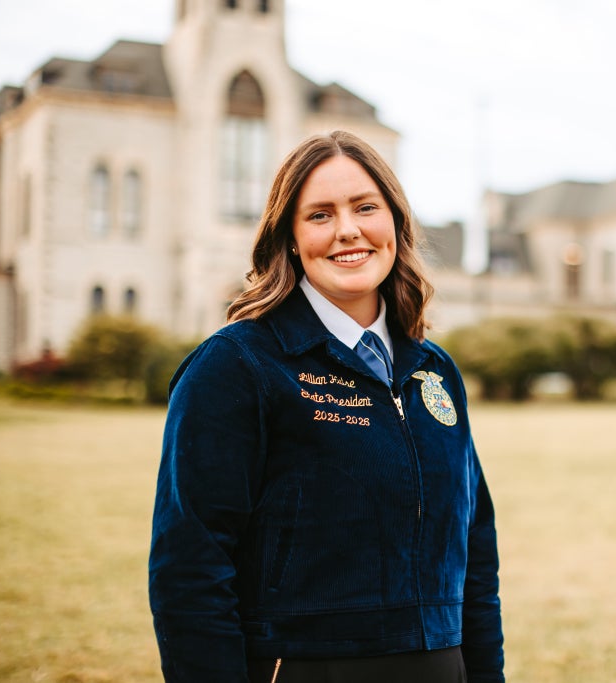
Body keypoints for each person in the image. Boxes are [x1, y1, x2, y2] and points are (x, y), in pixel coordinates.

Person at [148, 130, 504, 683]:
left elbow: (475, 552)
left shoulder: (435, 371)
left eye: (366, 207)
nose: (347, 230)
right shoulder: (237, 366)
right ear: (289, 237)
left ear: (396, 224)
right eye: (319, 215)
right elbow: (190, 568)